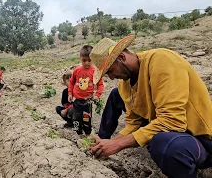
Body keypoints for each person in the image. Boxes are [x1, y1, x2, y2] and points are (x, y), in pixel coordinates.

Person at [89, 35, 212, 178]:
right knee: (156, 140)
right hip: (177, 134)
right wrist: (111, 142)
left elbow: (173, 121)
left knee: (164, 145)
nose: (111, 77)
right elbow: (134, 123)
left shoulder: (162, 61)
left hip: (203, 140)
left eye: (110, 71)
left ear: (121, 57)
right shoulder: (125, 84)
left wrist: (119, 144)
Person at [68, 45, 105, 137]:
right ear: (80, 58)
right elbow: (71, 83)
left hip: (88, 101)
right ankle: (79, 134)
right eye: (84, 60)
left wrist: (97, 95)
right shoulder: (76, 71)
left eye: (89, 60)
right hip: (77, 100)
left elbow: (100, 85)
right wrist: (70, 93)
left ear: (93, 59)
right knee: (77, 118)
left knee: (87, 118)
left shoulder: (95, 71)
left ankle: (88, 133)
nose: (87, 63)